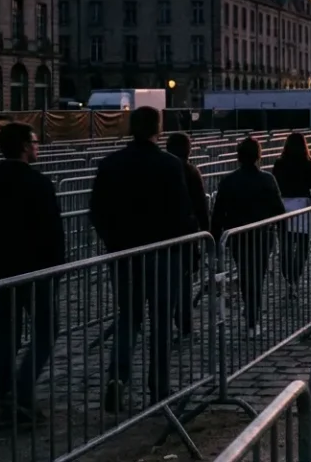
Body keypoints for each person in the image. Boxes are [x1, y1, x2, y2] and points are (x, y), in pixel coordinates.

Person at [89, 106, 194, 412]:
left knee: (128, 317)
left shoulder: (110, 164)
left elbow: (97, 210)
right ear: (157, 129)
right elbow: (182, 211)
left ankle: (118, 376)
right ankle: (158, 387)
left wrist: (113, 241)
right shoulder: (170, 165)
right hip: (163, 253)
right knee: (161, 322)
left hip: (124, 254)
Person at [0, 122, 63, 419]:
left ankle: (5, 391)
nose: (38, 146)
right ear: (24, 146)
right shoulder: (39, 183)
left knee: (6, 334)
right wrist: (56, 268)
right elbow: (53, 233)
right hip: (36, 272)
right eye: (35, 141)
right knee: (46, 330)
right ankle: (22, 388)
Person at [210, 137, 286, 336]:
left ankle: (251, 311)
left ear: (238, 157)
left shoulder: (228, 180)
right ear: (258, 156)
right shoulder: (267, 179)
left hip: (238, 236)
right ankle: (253, 315)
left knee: (245, 273)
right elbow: (279, 209)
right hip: (262, 235)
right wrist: (282, 233)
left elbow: (218, 213)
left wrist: (215, 239)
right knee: (257, 275)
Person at [165, 132, 210, 337]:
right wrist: (207, 231)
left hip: (163, 234)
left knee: (165, 281)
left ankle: (166, 323)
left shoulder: (163, 169)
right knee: (183, 282)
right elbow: (200, 205)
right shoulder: (191, 171)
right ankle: (184, 322)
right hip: (185, 234)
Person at [271, 132, 311, 293]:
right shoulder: (308, 162)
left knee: (285, 244)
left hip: (283, 205)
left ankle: (289, 278)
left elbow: (274, 183)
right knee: (302, 244)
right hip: (302, 205)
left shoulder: (279, 163)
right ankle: (295, 277)